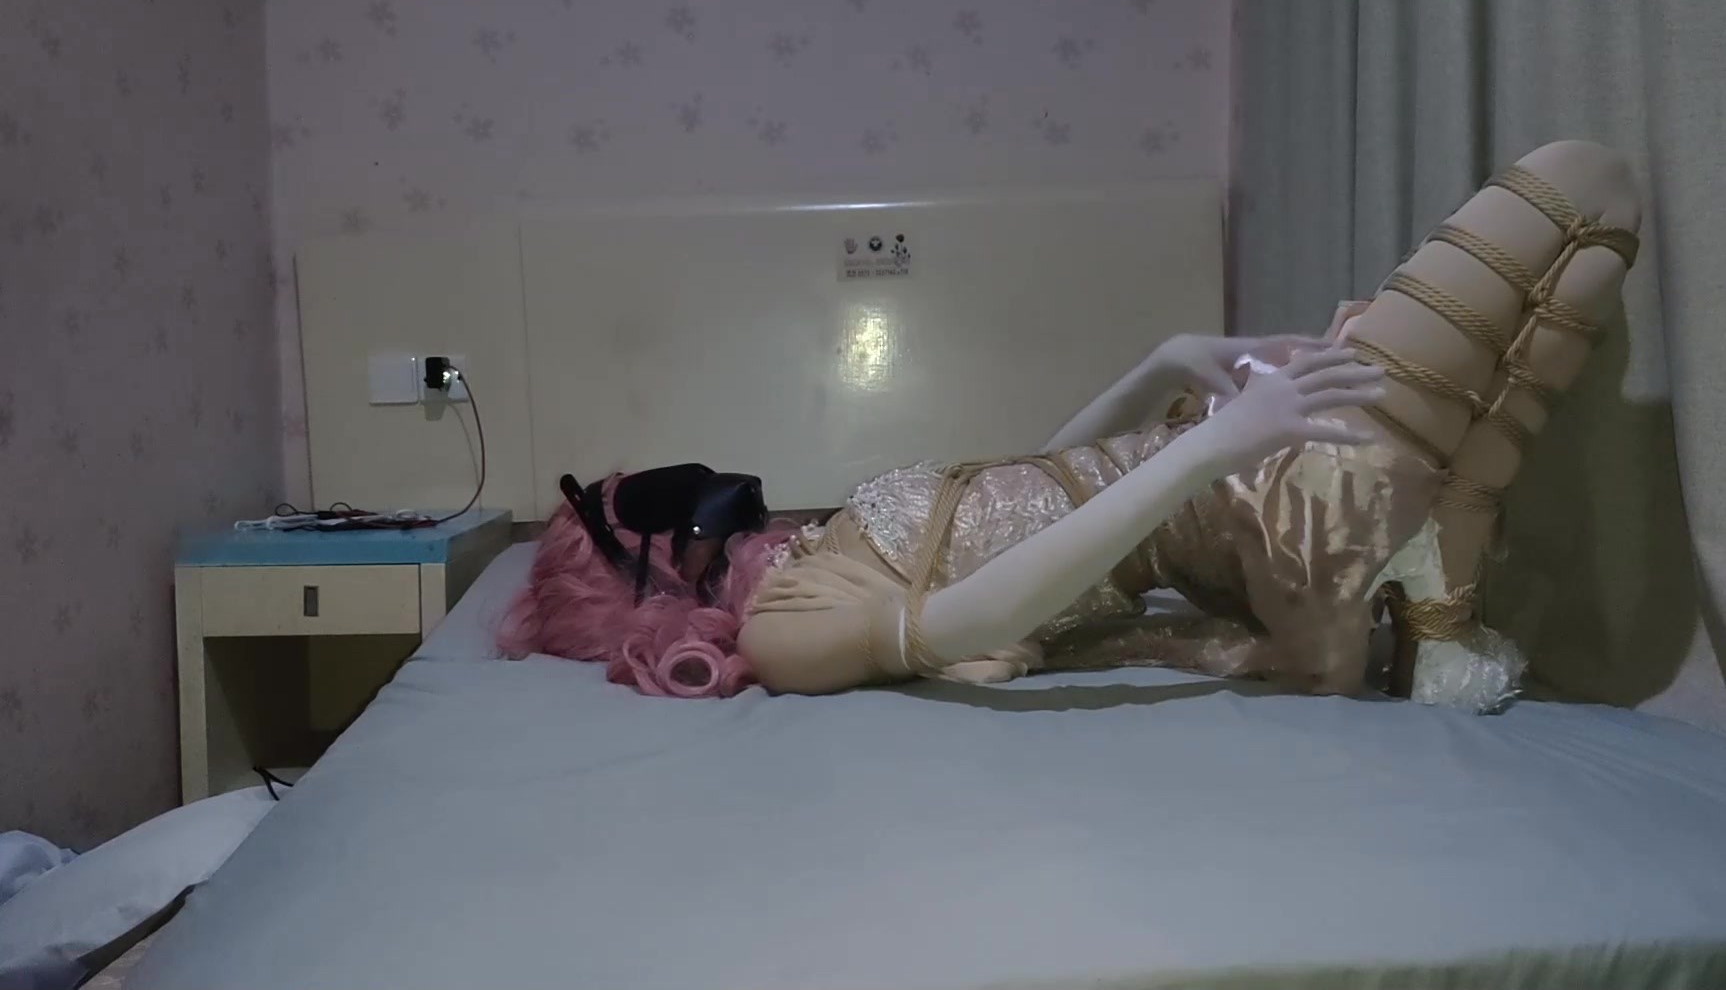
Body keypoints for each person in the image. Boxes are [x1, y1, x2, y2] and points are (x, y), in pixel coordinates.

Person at [502, 140, 1642, 700]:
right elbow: (986, 610)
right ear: (657, 577)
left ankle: (1437, 611)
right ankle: (1422, 588)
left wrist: (1164, 366)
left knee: (1583, 250)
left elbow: (1037, 484)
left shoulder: (817, 551)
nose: (714, 499)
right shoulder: (785, 634)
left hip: (1236, 468)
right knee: (1584, 191)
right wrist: (1215, 446)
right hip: (1266, 507)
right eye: (666, 510)